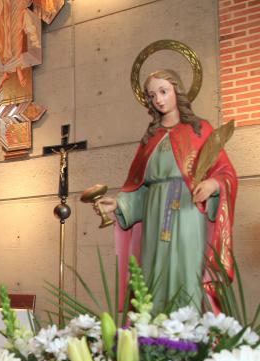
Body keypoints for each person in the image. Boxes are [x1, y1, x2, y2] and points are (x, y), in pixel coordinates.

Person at [95, 69, 237, 313]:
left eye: (163, 91)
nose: (158, 100)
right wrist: (119, 203)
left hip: (187, 214)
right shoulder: (151, 138)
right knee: (153, 274)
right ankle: (154, 338)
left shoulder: (199, 129)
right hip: (154, 216)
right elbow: (141, 189)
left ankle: (188, 335)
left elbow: (226, 173)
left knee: (186, 271)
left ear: (177, 90)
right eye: (152, 95)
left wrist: (213, 185)